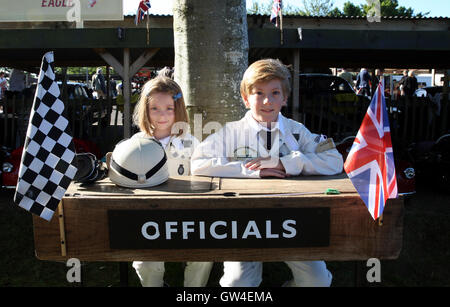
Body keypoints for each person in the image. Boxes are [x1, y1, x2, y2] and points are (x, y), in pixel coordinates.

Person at [191, 59, 343, 287]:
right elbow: (198, 163)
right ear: (245, 98)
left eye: (274, 93)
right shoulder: (231, 132)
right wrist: (250, 171)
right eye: (258, 93)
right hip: (242, 224)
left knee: (317, 281)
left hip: (292, 222)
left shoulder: (297, 131)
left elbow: (334, 161)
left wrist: (286, 163)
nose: (266, 101)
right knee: (237, 284)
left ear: (285, 97)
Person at [131, 76, 213, 287]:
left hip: (186, 214)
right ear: (145, 110)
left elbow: (202, 179)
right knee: (145, 263)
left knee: (203, 257)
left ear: (178, 109)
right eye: (155, 108)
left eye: (169, 108)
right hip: (147, 217)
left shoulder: (191, 143)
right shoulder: (136, 144)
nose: (162, 115)